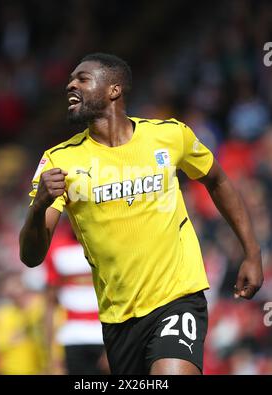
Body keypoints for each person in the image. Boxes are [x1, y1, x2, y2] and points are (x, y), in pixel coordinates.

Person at [19, 53, 263, 375]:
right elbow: (31, 256)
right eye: (70, 80)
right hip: (119, 320)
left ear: (114, 90)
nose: (70, 85)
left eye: (82, 79)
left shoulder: (170, 136)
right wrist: (38, 209)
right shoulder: (59, 161)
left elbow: (216, 179)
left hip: (178, 297)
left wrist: (252, 251)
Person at [43, 217, 108, 375]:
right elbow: (50, 304)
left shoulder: (107, 244)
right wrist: (50, 351)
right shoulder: (56, 248)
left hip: (107, 336)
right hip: (72, 337)